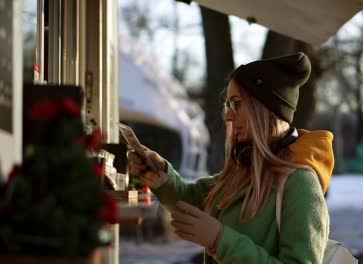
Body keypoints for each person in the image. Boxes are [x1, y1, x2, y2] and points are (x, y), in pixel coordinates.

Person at [129, 52, 334, 263]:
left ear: (264, 109)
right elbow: (194, 198)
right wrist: (160, 175)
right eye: (227, 104)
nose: (227, 115)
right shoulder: (245, 168)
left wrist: (220, 240)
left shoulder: (300, 183)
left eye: (236, 103)